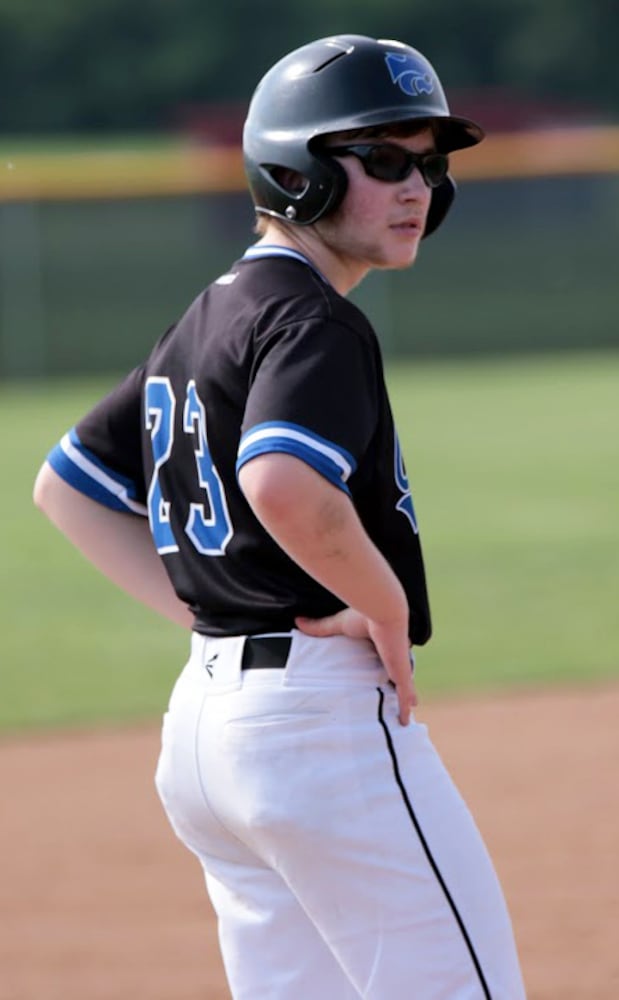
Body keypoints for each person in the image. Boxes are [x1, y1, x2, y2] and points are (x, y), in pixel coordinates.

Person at [34, 33, 526, 1000]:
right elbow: (281, 484)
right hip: (318, 732)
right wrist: (385, 607)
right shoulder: (314, 319)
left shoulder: (211, 312)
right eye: (383, 160)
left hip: (209, 735)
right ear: (295, 172)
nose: (417, 185)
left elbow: (72, 490)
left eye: (429, 162)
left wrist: (215, 623)